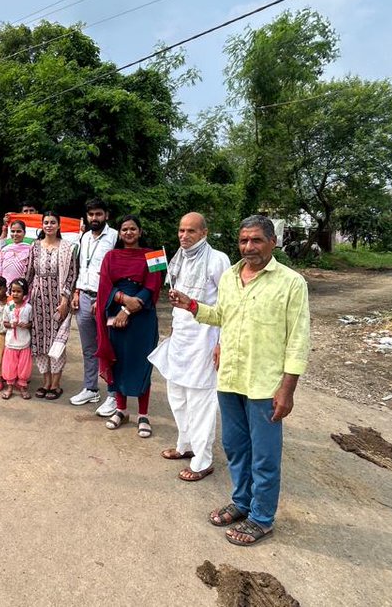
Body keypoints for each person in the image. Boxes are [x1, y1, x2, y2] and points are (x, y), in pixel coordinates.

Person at [169, 214, 309, 547]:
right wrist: (192, 305)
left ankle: (261, 517)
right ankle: (242, 501)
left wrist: (287, 390)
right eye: (244, 240)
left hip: (265, 384)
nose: (249, 247)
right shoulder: (231, 277)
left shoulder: (291, 282)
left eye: (257, 240)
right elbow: (222, 316)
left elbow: (299, 340)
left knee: (264, 455)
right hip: (230, 378)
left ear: (272, 242)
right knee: (235, 448)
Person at [148, 213, 230, 481]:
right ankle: (186, 446)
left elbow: (227, 306)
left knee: (201, 400)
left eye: (191, 231)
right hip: (181, 337)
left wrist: (221, 343)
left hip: (205, 338)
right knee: (178, 396)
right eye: (181, 230)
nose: (184, 236)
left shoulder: (218, 260)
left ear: (204, 233)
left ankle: (203, 460)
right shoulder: (179, 257)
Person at [96, 215, 162, 438]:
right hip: (116, 315)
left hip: (143, 317)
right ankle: (121, 411)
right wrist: (123, 300)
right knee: (119, 363)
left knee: (142, 365)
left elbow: (154, 285)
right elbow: (105, 287)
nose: (128, 233)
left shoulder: (153, 255)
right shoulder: (110, 256)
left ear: (140, 232)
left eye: (133, 229)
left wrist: (129, 309)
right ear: (119, 233)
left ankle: (143, 415)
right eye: (124, 229)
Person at [70, 199, 118, 413]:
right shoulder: (85, 237)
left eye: (99, 214)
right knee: (89, 348)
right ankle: (91, 388)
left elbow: (117, 271)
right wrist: (77, 291)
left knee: (108, 347)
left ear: (106, 215)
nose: (95, 218)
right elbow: (82, 267)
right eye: (91, 215)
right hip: (83, 297)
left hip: (105, 300)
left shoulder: (115, 236)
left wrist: (103, 297)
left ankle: (114, 394)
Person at [26, 212, 78, 399]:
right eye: (46, 222)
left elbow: (72, 274)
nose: (49, 225)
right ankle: (45, 381)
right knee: (40, 340)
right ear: (42, 225)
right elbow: (29, 273)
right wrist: (21, 297)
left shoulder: (67, 248)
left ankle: (56, 384)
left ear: (58, 225)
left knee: (57, 341)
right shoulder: (35, 247)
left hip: (58, 300)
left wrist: (65, 299)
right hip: (38, 299)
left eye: (52, 222)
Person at [0, 278, 33, 400]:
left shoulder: (28, 308)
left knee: (24, 367)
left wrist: (26, 325)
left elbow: (31, 323)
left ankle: (23, 387)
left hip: (24, 343)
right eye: (13, 291)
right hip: (11, 343)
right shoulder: (8, 307)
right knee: (10, 366)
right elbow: (5, 323)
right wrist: (12, 325)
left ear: (24, 293)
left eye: (18, 291)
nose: (15, 294)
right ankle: (9, 387)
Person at [0, 219, 31, 286]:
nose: (15, 234)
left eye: (18, 231)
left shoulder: (30, 250)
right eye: (13, 231)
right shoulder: (5, 250)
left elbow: (30, 271)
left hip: (22, 288)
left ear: (24, 233)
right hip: (4, 288)